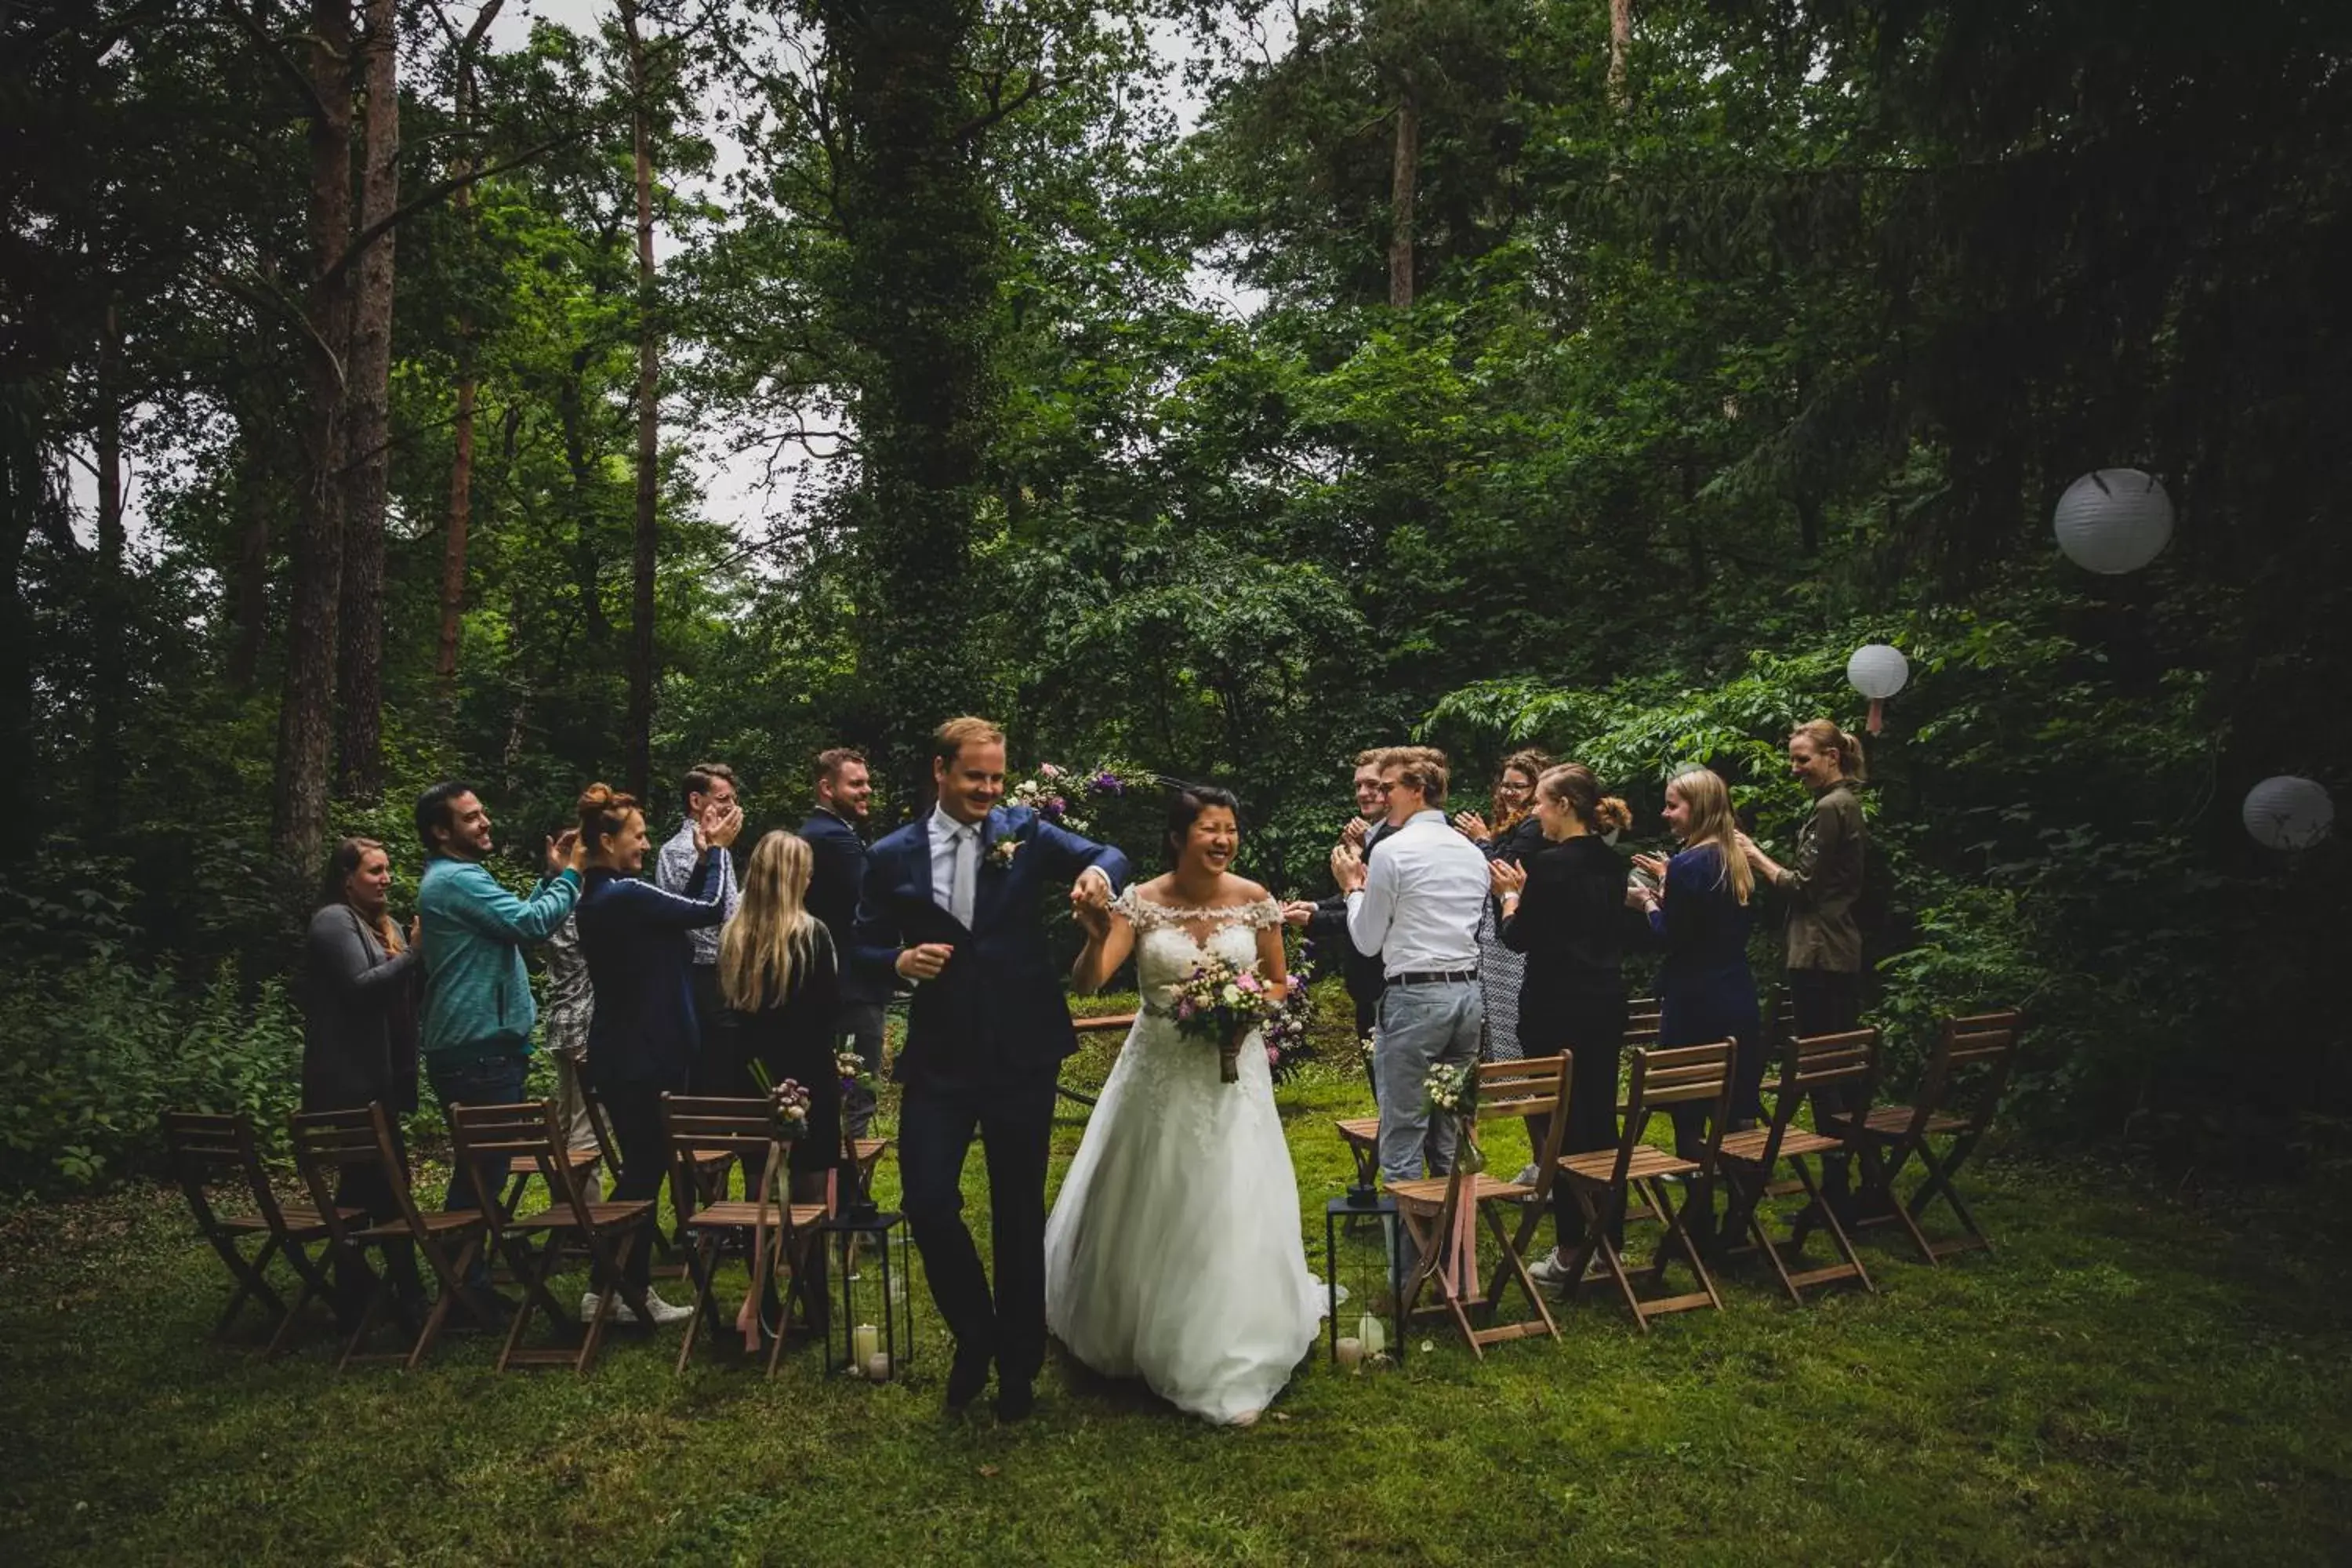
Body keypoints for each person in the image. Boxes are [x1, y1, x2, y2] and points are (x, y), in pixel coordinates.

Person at [851, 717, 1130, 1421]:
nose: (989, 788)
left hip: (1023, 1049)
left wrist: (1096, 874)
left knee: (1016, 1208)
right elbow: (858, 947)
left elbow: (1109, 852)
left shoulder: (1026, 832)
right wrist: (896, 962)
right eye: (975, 775)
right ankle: (976, 1334)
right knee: (928, 1200)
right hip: (941, 1056)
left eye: (997, 777)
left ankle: (1018, 1365)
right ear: (941, 771)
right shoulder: (890, 855)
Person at [1048, 785, 1319, 1426]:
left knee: (1231, 1192)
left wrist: (1247, 1006)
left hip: (1232, 1069)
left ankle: (1229, 1345)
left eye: (1231, 829)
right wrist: (1092, 936)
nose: (1224, 840)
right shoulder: (1140, 902)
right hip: (1159, 1069)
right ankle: (1130, 1325)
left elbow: (1281, 983)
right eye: (1210, 829)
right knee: (1154, 1189)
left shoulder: (1256, 901)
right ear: (1179, 837)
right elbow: (1090, 983)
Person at [573, 782, 742, 1327]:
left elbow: (686, 910)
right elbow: (712, 908)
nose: (645, 846)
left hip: (632, 1051)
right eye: (638, 836)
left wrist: (706, 857)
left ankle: (619, 1288)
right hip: (641, 1055)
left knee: (643, 1168)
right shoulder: (623, 895)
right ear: (607, 839)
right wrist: (717, 850)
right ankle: (618, 1288)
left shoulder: (613, 895)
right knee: (644, 1172)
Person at [415, 781, 583, 1306]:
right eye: (471, 817)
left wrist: (552, 877)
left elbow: (510, 923)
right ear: (443, 831)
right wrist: (575, 872)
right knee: (482, 1172)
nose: (485, 822)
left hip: (479, 1046)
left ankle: (468, 1277)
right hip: (477, 1047)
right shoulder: (456, 879)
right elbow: (530, 925)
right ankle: (465, 1286)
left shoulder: (458, 879)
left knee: (483, 1168)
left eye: (483, 813)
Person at [1487, 765, 1641, 1289]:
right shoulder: (1612, 862)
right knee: (1600, 1119)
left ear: (1566, 806)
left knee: (1563, 1128)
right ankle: (1609, 1243)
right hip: (1605, 1000)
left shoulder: (1549, 867)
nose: (1535, 812)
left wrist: (1510, 899)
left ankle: (1573, 1247)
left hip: (1556, 1006)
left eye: (1542, 803)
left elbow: (1518, 938)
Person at [1331, 746, 1490, 1189]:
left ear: (1417, 791)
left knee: (1402, 1135)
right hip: (1467, 1000)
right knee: (1451, 1131)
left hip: (1415, 998)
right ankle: (1452, 1249)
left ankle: (1410, 1254)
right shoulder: (1471, 851)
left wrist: (1351, 889)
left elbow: (1366, 940)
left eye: (1389, 788)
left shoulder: (1392, 851)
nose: (1382, 797)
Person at [1737, 719, 1871, 1214]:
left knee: (1822, 1069)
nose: (1795, 769)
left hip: (1820, 952)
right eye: (1792, 759)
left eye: (1803, 759)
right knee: (1837, 1066)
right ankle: (1855, 1180)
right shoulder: (1843, 804)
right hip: (1834, 949)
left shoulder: (1834, 808)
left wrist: (1754, 856)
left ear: (1832, 756)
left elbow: (1802, 886)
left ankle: (1838, 1188)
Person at [1628, 766, 1762, 1239]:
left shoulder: (1689, 865)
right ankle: (1739, 1222)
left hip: (1694, 1000)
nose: (1666, 814)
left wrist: (1646, 902)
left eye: (1672, 805)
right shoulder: (1736, 854)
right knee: (1737, 1110)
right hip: (1738, 993)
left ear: (1698, 808)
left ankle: (1699, 1217)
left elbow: (1672, 936)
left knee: (1689, 1112)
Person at [300, 837, 426, 1329]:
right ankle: (409, 1298)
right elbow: (359, 987)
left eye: (388, 869)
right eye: (375, 871)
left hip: (384, 1081)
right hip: (350, 1085)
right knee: (390, 1186)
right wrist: (414, 956)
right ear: (346, 877)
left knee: (364, 1188)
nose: (387, 878)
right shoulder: (333, 921)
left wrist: (420, 961)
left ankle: (356, 1291)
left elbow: (406, 988)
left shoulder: (388, 926)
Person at [1282, 750, 1395, 1096]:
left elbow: (1372, 913)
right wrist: (1315, 904)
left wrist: (1314, 921)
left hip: (1386, 978)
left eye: (1373, 785)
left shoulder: (1391, 844)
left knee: (1393, 1086)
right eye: (1358, 785)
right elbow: (1353, 897)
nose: (1363, 793)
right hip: (1368, 980)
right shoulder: (1373, 838)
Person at [800, 747, 886, 1140]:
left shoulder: (822, 833)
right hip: (850, 987)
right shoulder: (832, 839)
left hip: (830, 983)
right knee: (856, 1091)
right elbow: (877, 900)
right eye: (856, 783)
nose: (866, 790)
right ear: (826, 788)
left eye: (866, 782)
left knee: (843, 1091)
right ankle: (851, 1194)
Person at [1458, 749, 1551, 1069]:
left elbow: (1501, 869)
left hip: (1514, 928)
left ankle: (1521, 1080)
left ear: (1536, 789)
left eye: (1519, 787)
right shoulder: (1510, 823)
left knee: (1510, 1011)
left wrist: (1481, 840)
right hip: (1494, 928)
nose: (1509, 793)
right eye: (1506, 785)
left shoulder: (1532, 827)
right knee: (1497, 1012)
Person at [655, 761, 742, 1091]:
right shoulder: (683, 850)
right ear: (696, 802)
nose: (731, 807)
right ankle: (711, 1139)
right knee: (715, 1068)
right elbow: (709, 917)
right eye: (723, 799)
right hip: (705, 973)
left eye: (733, 799)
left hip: (719, 970)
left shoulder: (716, 846)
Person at [540, 907, 597, 1156]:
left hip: (561, 1017)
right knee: (589, 1123)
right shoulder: (584, 914)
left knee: (564, 1120)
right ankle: (584, 1195)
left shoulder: (552, 911)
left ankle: (562, 1189)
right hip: (585, 1019)